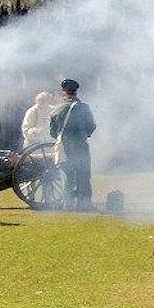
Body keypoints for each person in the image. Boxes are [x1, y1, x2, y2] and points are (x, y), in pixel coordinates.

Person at [50, 79, 96, 211]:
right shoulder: (83, 107)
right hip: (80, 146)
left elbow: (53, 132)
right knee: (83, 174)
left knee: (67, 175)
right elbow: (91, 126)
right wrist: (83, 135)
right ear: (76, 92)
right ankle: (84, 204)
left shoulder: (56, 109)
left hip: (64, 147)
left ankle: (68, 204)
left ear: (64, 92)